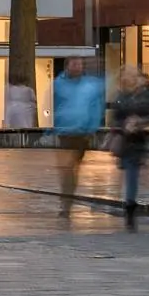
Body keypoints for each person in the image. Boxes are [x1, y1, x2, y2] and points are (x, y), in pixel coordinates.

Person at [50, 59, 105, 217]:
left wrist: (91, 128)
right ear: (67, 66)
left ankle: (67, 198)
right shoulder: (59, 84)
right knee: (66, 168)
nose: (77, 67)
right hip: (64, 132)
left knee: (73, 168)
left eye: (80, 64)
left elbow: (95, 107)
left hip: (81, 132)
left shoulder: (89, 86)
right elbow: (55, 105)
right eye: (74, 64)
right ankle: (66, 202)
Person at [109, 66, 149, 230]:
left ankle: (130, 207)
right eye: (127, 75)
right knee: (129, 174)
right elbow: (114, 119)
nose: (130, 78)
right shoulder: (120, 96)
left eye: (132, 75)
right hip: (124, 139)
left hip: (137, 141)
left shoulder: (144, 94)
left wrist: (139, 122)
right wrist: (123, 125)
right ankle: (129, 205)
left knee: (132, 175)